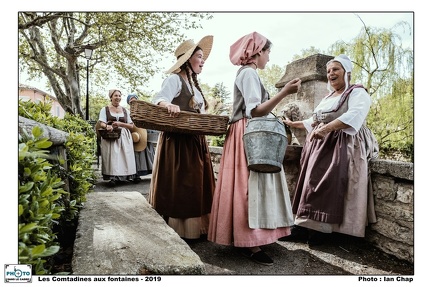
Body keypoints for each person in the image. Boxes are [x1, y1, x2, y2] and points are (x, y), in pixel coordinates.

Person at [207, 32, 301, 266]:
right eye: (267, 52)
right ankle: (249, 242)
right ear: (257, 51)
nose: (268, 58)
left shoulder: (249, 74)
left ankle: (256, 236)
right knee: (247, 187)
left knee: (253, 186)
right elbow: (255, 110)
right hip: (248, 133)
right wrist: (284, 93)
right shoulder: (248, 73)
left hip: (249, 132)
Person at [280, 54, 379, 246]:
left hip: (344, 144)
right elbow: (314, 120)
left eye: (335, 69)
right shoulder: (328, 97)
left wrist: (326, 129)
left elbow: (355, 115)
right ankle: (304, 226)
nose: (331, 73)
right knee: (311, 183)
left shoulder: (357, 92)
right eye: (328, 71)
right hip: (320, 145)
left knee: (330, 183)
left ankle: (325, 231)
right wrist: (294, 123)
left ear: (346, 72)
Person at [148, 36, 215, 240]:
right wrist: (167, 105)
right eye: (199, 57)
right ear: (187, 60)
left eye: (203, 57)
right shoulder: (174, 79)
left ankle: (200, 226)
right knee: (183, 183)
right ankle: (182, 229)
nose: (203, 61)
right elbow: (158, 98)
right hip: (178, 142)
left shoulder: (194, 85)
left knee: (197, 183)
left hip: (195, 141)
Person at [97, 89, 136, 186]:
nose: (118, 97)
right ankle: (113, 177)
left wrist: (120, 124)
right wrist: (107, 126)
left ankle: (125, 176)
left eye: (119, 95)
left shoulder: (125, 110)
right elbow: (101, 122)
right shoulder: (105, 109)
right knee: (113, 156)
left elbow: (131, 126)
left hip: (124, 136)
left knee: (124, 156)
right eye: (115, 95)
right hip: (110, 135)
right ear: (111, 97)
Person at [127, 94, 156, 182]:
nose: (133, 102)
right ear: (128, 102)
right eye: (131, 100)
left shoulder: (143, 111)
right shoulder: (127, 112)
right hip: (134, 135)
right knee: (135, 156)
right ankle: (136, 175)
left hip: (144, 134)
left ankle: (154, 174)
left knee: (149, 155)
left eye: (134, 100)